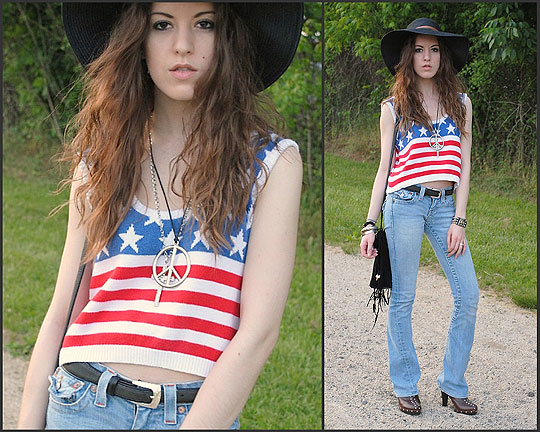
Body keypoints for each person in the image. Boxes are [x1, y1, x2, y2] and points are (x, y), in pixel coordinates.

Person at [17, 2, 304, 429]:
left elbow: (259, 332)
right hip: (82, 401)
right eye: (162, 24)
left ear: (229, 39)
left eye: (204, 24)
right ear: (138, 39)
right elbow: (62, 311)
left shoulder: (270, 164)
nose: (183, 46)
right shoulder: (99, 163)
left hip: (195, 413)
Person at [360, 18, 479, 416]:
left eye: (433, 49)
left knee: (469, 295)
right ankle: (405, 383)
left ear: (442, 56)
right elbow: (383, 169)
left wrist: (459, 219)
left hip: (446, 207)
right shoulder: (393, 108)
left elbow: (463, 167)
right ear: (407, 57)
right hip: (404, 204)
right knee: (404, 298)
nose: (426, 57)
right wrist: (369, 223)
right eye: (418, 49)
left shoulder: (461, 104)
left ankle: (453, 383)